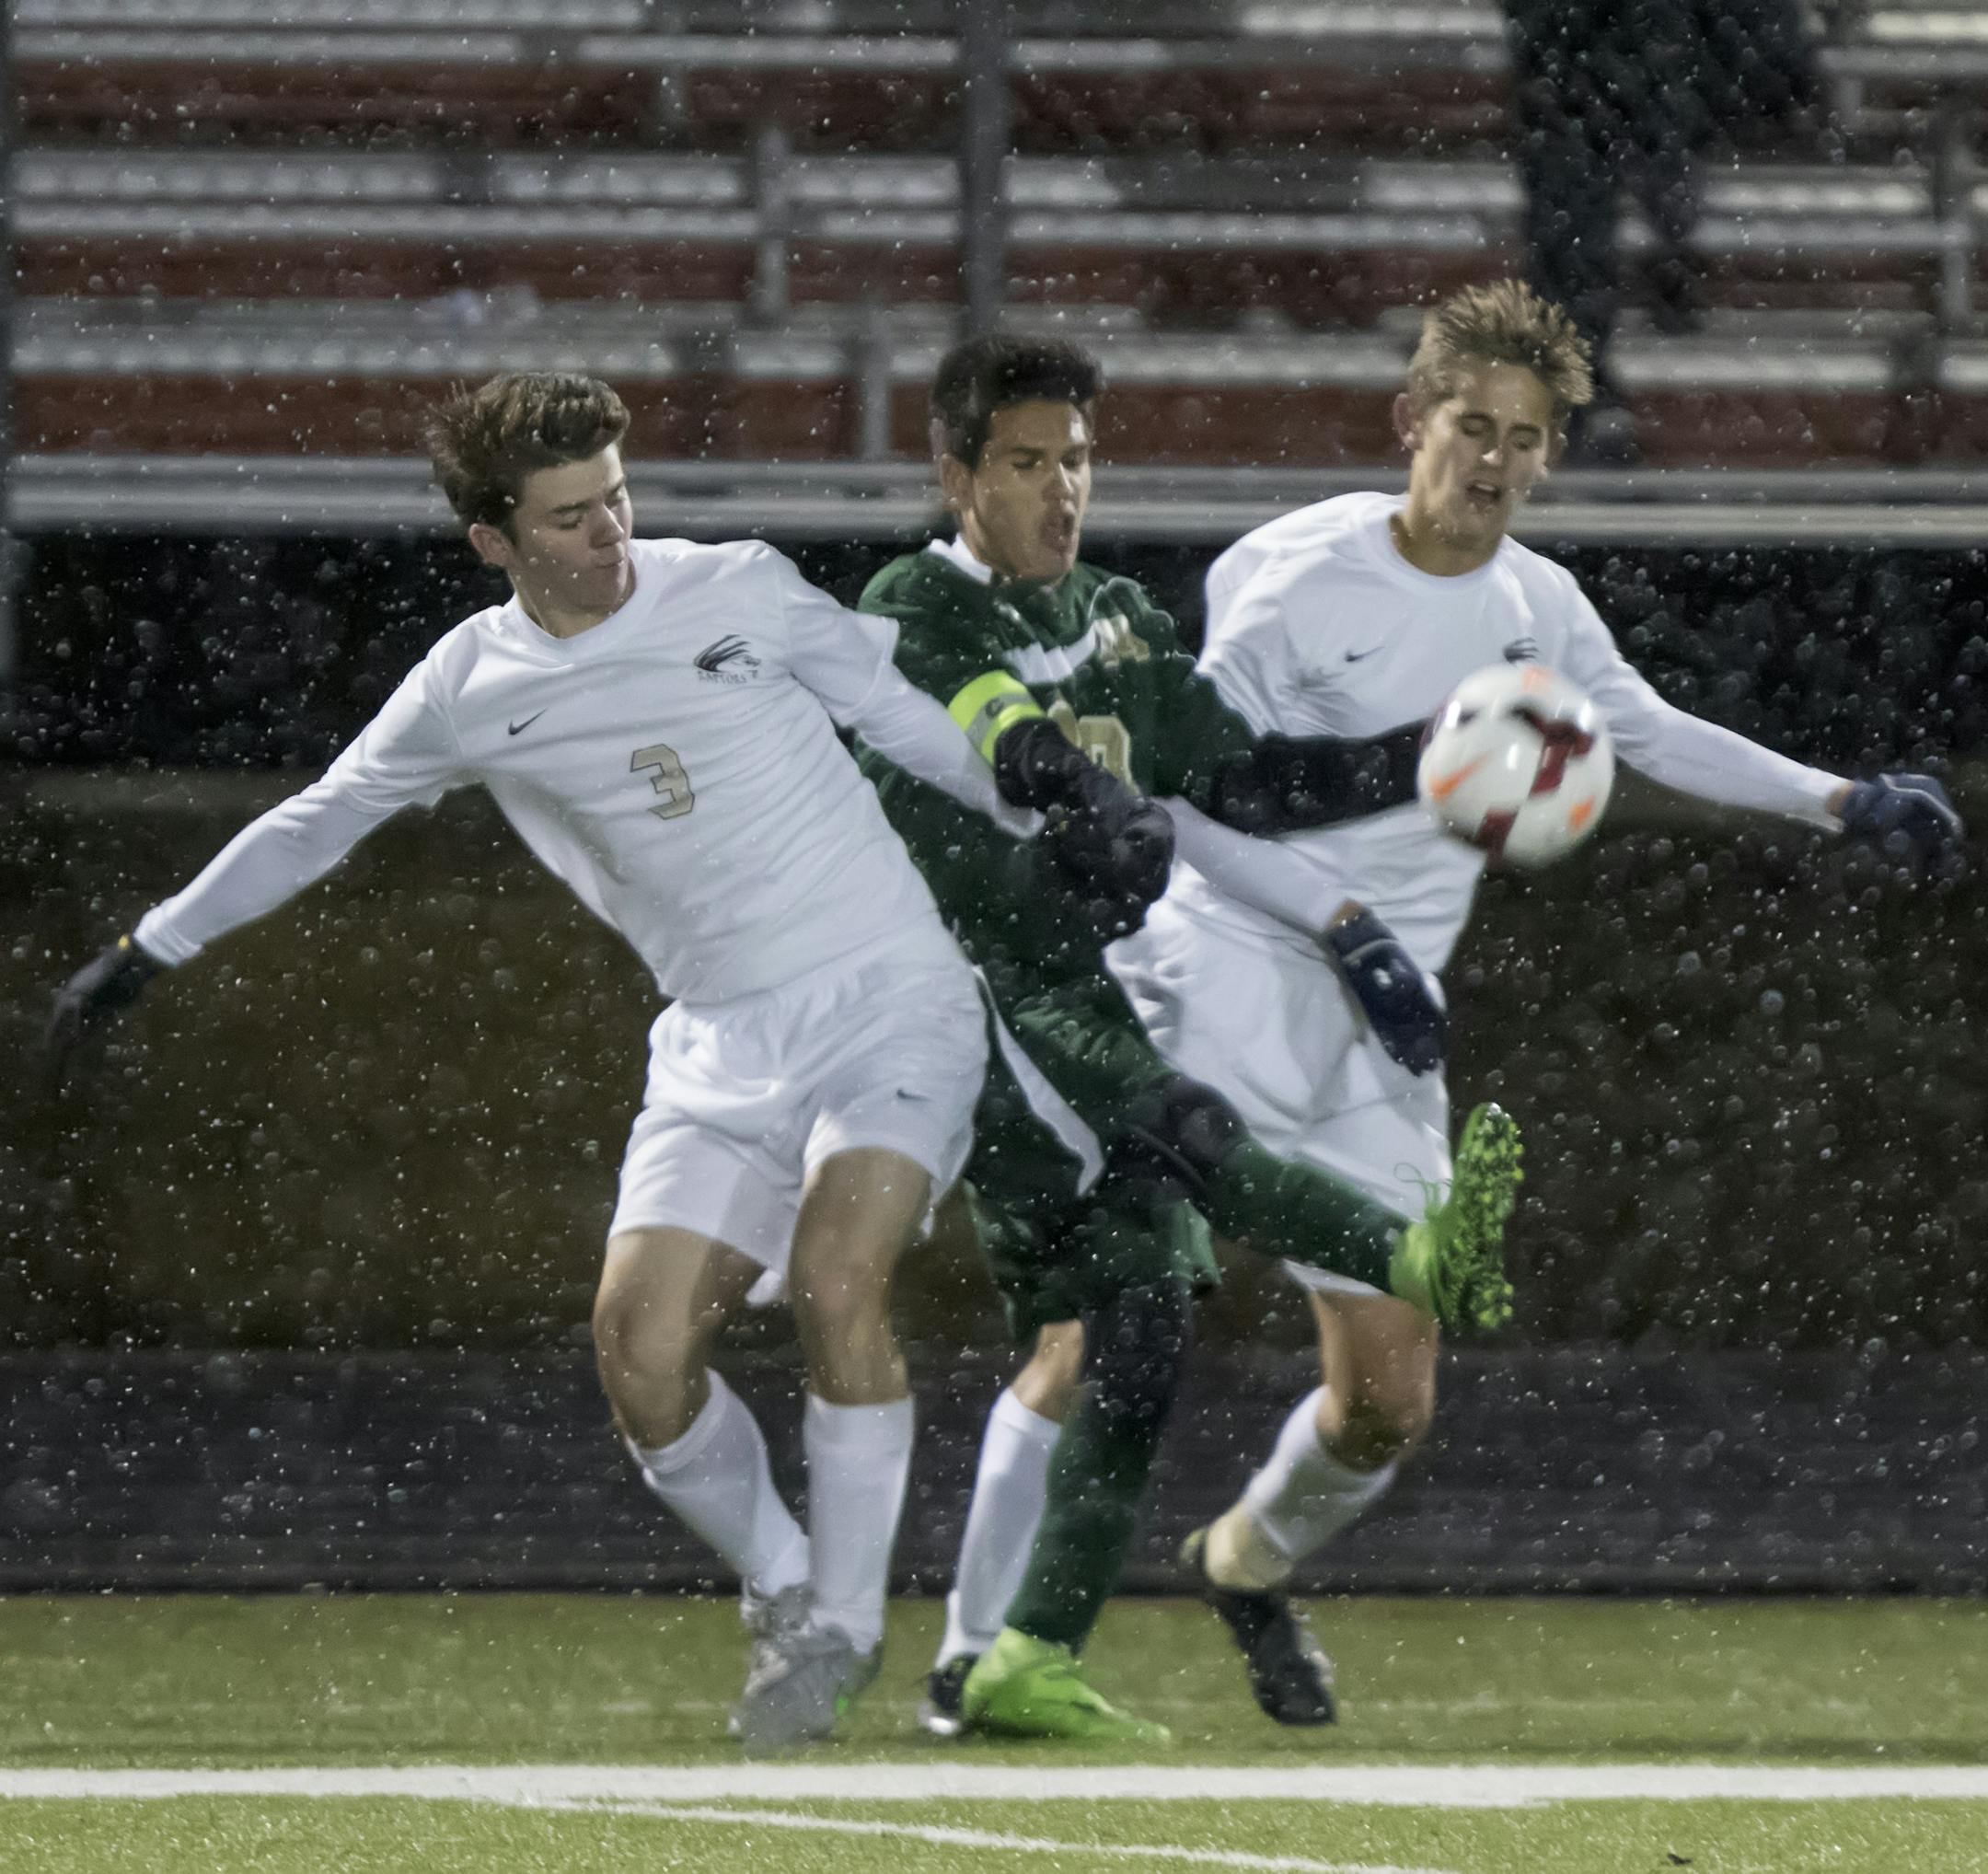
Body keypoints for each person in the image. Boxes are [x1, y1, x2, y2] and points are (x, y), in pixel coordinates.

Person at [40, 370, 1142, 1753]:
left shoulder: (734, 584)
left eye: (617, 497)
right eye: (567, 519)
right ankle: (792, 1593)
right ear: (492, 544)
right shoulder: (468, 687)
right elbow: (317, 822)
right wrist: (147, 951)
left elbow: (895, 708)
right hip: (716, 1039)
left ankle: (851, 1630)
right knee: (640, 1359)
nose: (609, 533)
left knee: (837, 1277)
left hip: (889, 998)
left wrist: (1045, 800)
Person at [940, 280, 1965, 1733]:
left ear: (1550, 457)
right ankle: (971, 1655)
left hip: (1380, 1032)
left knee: (1388, 1407)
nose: (1493, 459)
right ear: (1409, 422)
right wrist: (1340, 919)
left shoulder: (1539, 606)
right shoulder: (1291, 579)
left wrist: (1838, 798)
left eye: (1527, 439)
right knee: (1111, 1322)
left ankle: (1242, 1562)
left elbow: (1646, 727)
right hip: (1215, 976)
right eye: (1471, 425)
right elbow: (1182, 792)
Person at [856, 333, 1527, 1745]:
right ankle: (1405, 1251)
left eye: (1079, 461)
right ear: (956, 476)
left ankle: (999, 1660)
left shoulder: (1118, 618)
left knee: (1127, 1328)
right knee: (1160, 1207)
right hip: (984, 999)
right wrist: (1101, 815)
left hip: (1094, 992)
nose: (1062, 490)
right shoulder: (916, 601)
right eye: (1028, 463)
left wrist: (1421, 761)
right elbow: (1010, 742)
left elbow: (1237, 780)